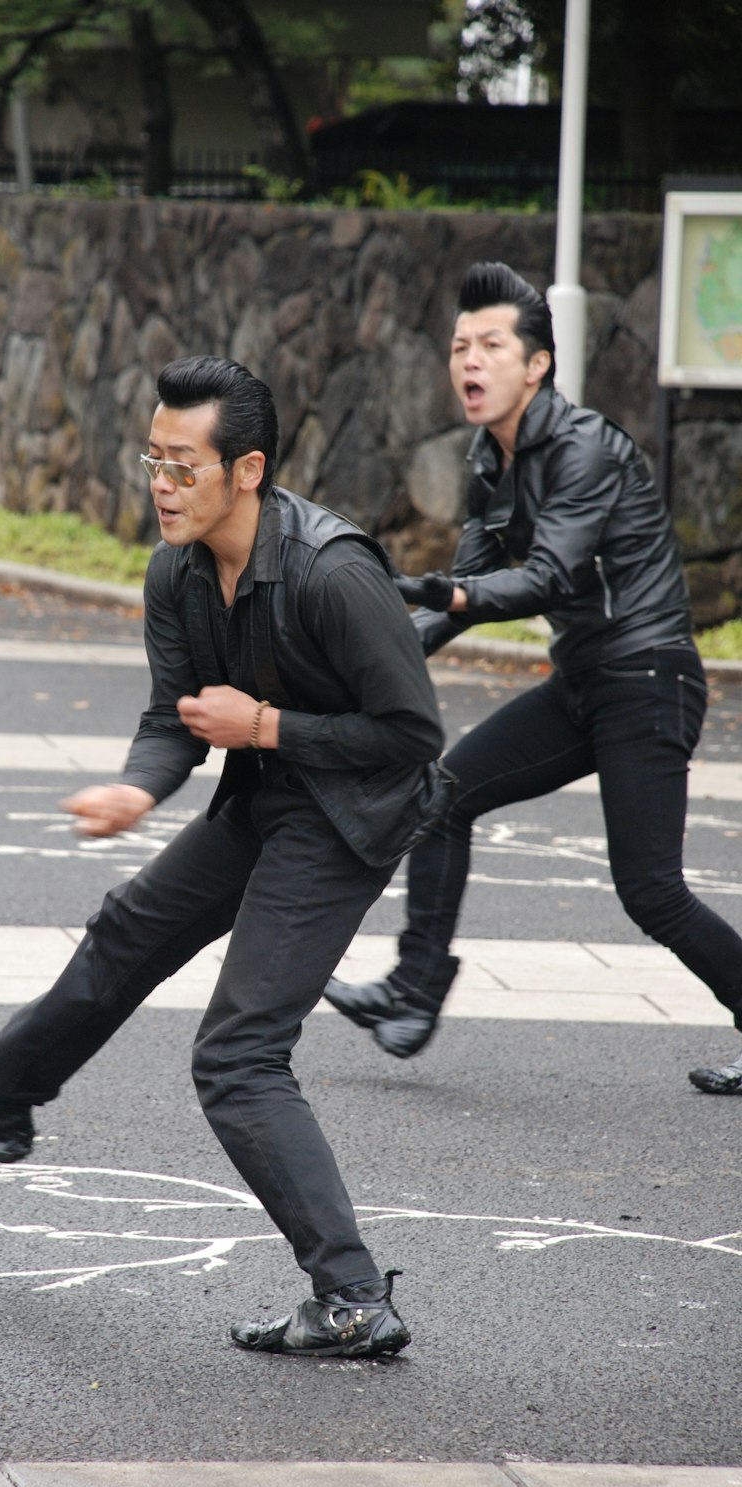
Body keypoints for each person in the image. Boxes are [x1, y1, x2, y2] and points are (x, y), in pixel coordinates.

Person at [0, 354, 449, 1357]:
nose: (162, 487)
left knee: (237, 1056)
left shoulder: (333, 572)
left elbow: (412, 737)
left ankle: (351, 1297)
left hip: (352, 813)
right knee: (126, 929)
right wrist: (139, 785)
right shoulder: (175, 567)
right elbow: (172, 717)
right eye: (153, 462)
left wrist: (263, 725)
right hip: (264, 793)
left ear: (246, 468)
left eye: (183, 467)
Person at [324, 261, 742, 1095]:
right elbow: (462, 600)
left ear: (536, 363)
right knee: (442, 797)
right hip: (584, 680)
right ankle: (413, 990)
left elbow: (545, 576)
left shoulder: (587, 447)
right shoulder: (491, 457)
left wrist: (447, 590)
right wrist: (363, 667)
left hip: (650, 676)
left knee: (649, 891)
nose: (468, 361)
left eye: (488, 345)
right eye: (457, 347)